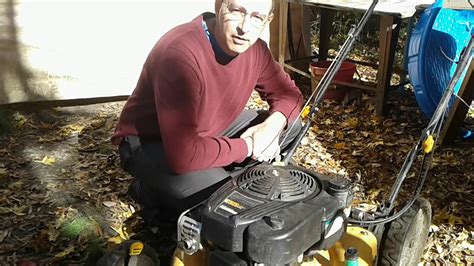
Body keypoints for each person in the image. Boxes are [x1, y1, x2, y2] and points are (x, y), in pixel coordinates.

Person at [112, 0, 303, 223]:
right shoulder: (180, 53)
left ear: (268, 20)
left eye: (257, 17)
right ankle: (153, 191)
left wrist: (270, 128)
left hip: (209, 132)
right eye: (237, 11)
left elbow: (290, 94)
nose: (245, 27)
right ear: (219, 5)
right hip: (152, 142)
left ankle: (205, 182)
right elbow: (183, 154)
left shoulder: (256, 50)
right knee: (228, 203)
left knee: (290, 125)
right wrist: (250, 145)